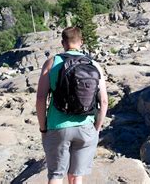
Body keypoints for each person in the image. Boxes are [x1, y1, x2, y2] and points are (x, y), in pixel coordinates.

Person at [36, 27, 108, 184]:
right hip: (86, 126)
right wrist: (97, 126)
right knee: (76, 176)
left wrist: (43, 128)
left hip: (58, 126)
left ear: (63, 43)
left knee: (56, 175)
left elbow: (41, 98)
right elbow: (103, 101)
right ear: (81, 42)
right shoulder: (94, 64)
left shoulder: (52, 63)